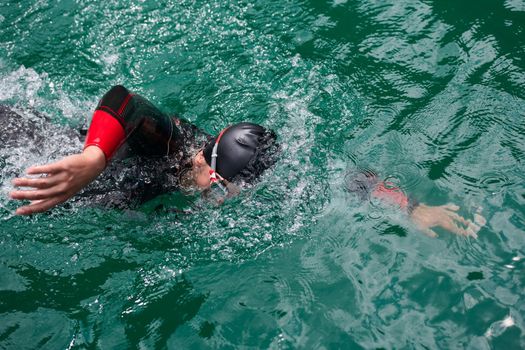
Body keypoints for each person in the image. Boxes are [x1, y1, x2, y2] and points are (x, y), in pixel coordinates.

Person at [8, 85, 279, 215]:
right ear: (200, 159)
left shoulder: (203, 170)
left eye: (229, 194)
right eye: (218, 188)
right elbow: (123, 99)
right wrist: (93, 158)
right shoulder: (172, 145)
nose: (218, 200)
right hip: (27, 149)